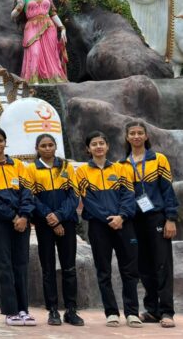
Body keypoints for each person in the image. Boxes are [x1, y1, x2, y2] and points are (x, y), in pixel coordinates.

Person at [75, 131, 141, 328]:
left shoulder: (122, 169)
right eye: (94, 144)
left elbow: (129, 196)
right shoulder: (82, 172)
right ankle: (111, 312)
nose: (98, 147)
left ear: (107, 146)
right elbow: (89, 201)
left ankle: (132, 313)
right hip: (98, 227)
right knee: (103, 271)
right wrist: (108, 219)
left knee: (129, 270)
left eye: (101, 143)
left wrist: (121, 216)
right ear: (88, 149)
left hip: (124, 224)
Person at [0, 127, 36, 326]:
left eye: (0, 140)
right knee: (4, 265)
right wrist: (12, 216)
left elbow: (28, 192)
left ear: (5, 142)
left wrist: (24, 215)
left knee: (21, 264)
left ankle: (23, 310)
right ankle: (10, 311)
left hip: (22, 222)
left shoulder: (19, 165)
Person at [122, 121, 178, 328]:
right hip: (134, 220)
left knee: (162, 264)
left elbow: (167, 190)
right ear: (127, 137)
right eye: (132, 133)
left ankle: (166, 311)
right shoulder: (123, 164)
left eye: (140, 133)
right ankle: (152, 309)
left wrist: (171, 218)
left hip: (156, 217)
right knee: (143, 266)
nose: (136, 136)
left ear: (146, 136)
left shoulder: (158, 159)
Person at [26, 134, 84, 326]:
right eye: (43, 145)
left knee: (69, 267)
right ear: (37, 148)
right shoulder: (32, 169)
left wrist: (59, 216)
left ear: (55, 146)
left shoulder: (66, 166)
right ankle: (53, 311)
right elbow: (31, 198)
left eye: (51, 145)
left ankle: (71, 310)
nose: (48, 148)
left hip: (66, 222)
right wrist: (50, 218)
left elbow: (73, 195)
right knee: (48, 268)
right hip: (44, 225)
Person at [10, 0, 68, 84]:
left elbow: (53, 14)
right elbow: (13, 15)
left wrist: (62, 28)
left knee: (50, 54)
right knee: (34, 52)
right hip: (32, 27)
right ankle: (33, 81)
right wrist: (19, 6)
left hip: (49, 27)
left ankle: (51, 80)